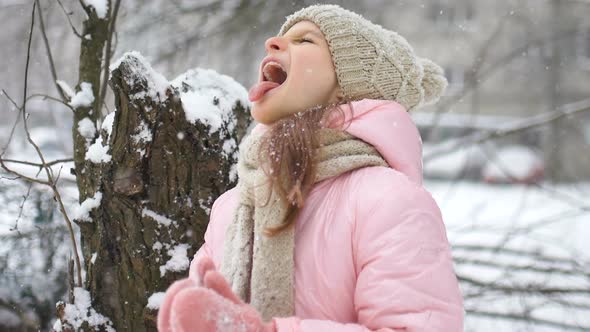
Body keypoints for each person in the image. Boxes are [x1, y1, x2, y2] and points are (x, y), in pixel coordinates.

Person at [157, 4, 464, 332]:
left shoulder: (387, 200)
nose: (272, 43)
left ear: (349, 84)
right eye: (280, 36)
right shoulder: (234, 206)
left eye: (305, 41)